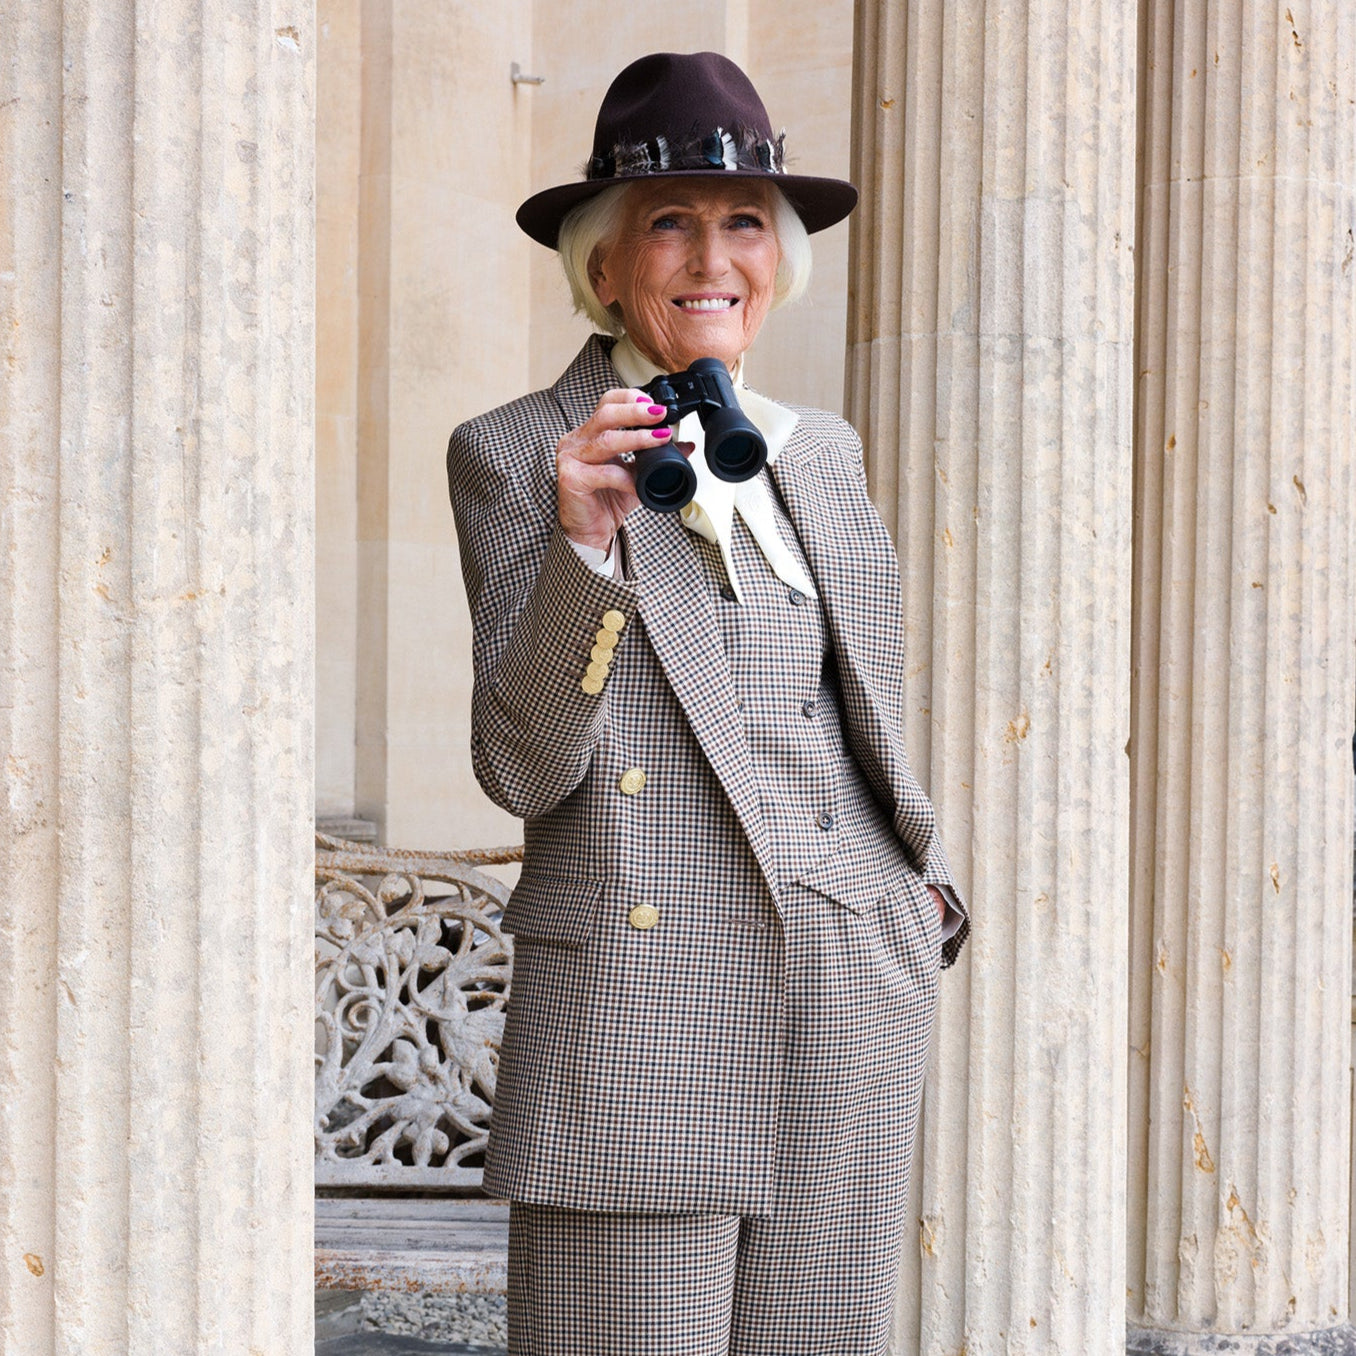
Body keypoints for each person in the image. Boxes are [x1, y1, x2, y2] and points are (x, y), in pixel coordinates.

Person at [447, 50, 969, 1356]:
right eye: (668, 221)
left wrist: (914, 896)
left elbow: (861, 718)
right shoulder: (518, 452)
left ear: (777, 257)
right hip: (641, 1003)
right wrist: (585, 547)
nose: (711, 258)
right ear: (605, 262)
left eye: (743, 220)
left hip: (844, 999)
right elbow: (522, 767)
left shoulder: (820, 452)